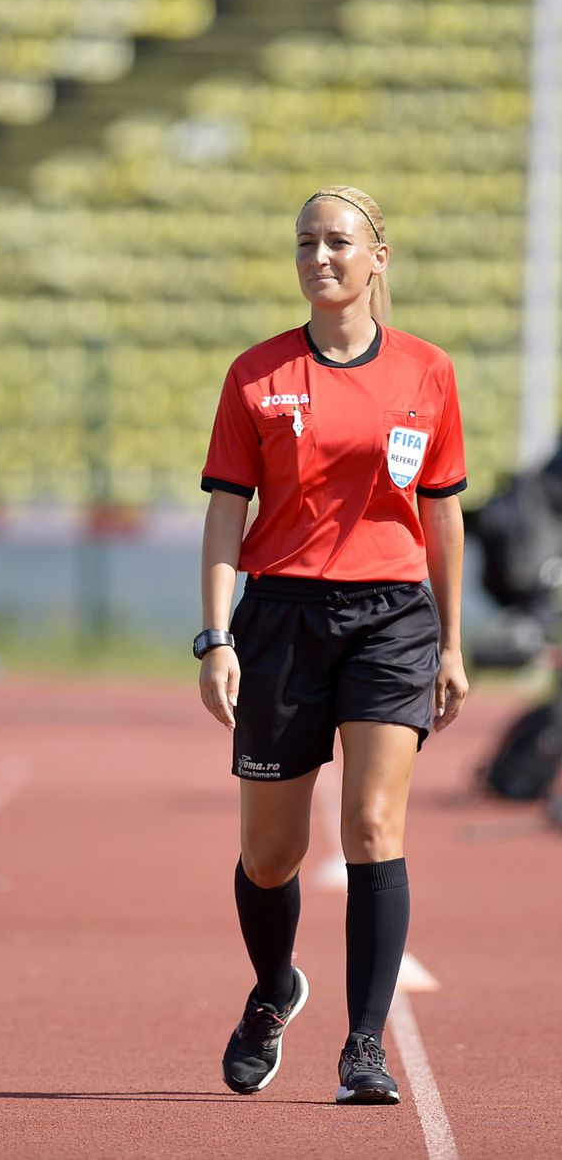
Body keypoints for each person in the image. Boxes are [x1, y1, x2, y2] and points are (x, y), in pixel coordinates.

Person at [195, 186, 468, 1105]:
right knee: (269, 856)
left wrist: (452, 642)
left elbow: (442, 513)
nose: (320, 256)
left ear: (377, 256)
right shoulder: (255, 375)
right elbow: (225, 514)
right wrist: (215, 638)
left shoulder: (428, 371)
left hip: (393, 618)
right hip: (280, 618)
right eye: (306, 242)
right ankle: (275, 989)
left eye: (339, 242)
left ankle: (363, 1048)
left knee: (372, 829)